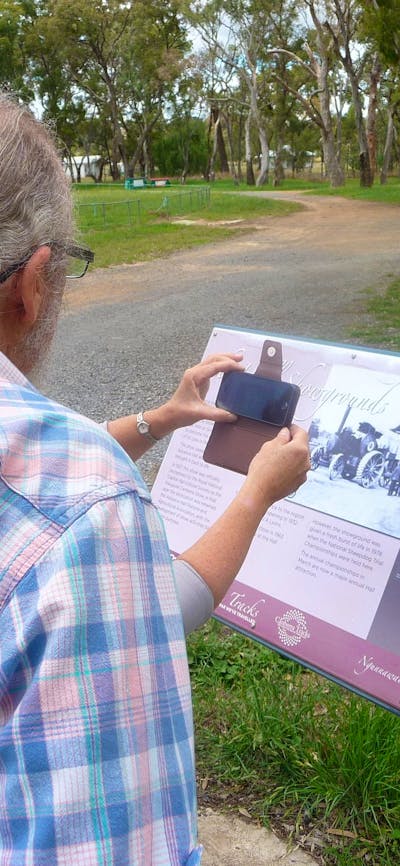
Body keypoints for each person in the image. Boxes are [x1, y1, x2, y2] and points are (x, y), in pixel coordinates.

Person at [0, 93, 310, 866]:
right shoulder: (87, 509)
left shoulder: (62, 494)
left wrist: (159, 418)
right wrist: (257, 493)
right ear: (32, 282)